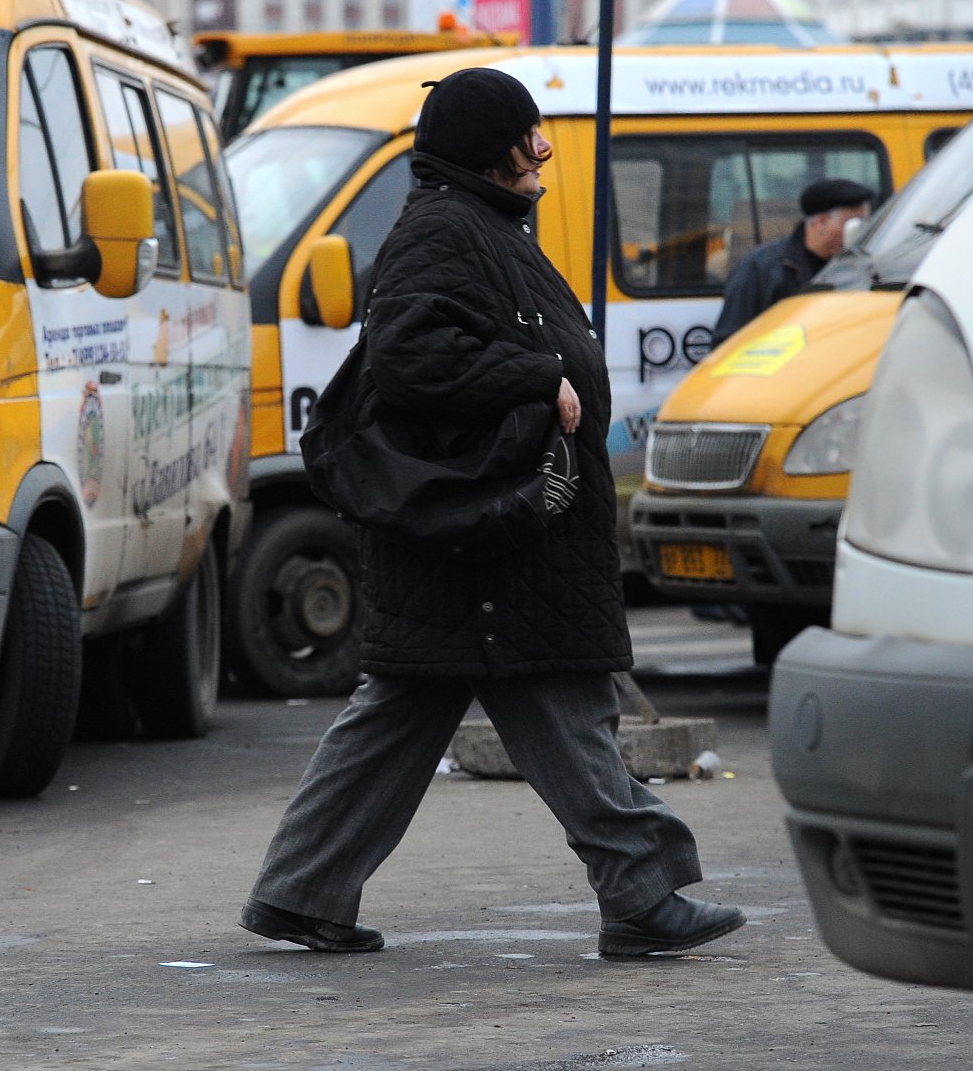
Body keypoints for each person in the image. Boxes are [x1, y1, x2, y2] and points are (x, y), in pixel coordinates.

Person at [239, 68, 745, 959]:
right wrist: (536, 375)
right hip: (491, 550)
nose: (541, 153)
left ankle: (302, 889)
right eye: (527, 138)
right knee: (562, 706)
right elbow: (412, 356)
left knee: (405, 715)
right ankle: (641, 890)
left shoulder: (474, 224)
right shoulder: (445, 229)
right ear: (489, 151)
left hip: (482, 546)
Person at [711, 177, 874, 344]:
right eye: (854, 227)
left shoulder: (864, 268)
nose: (860, 235)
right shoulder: (761, 268)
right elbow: (727, 342)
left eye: (866, 226)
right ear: (822, 222)